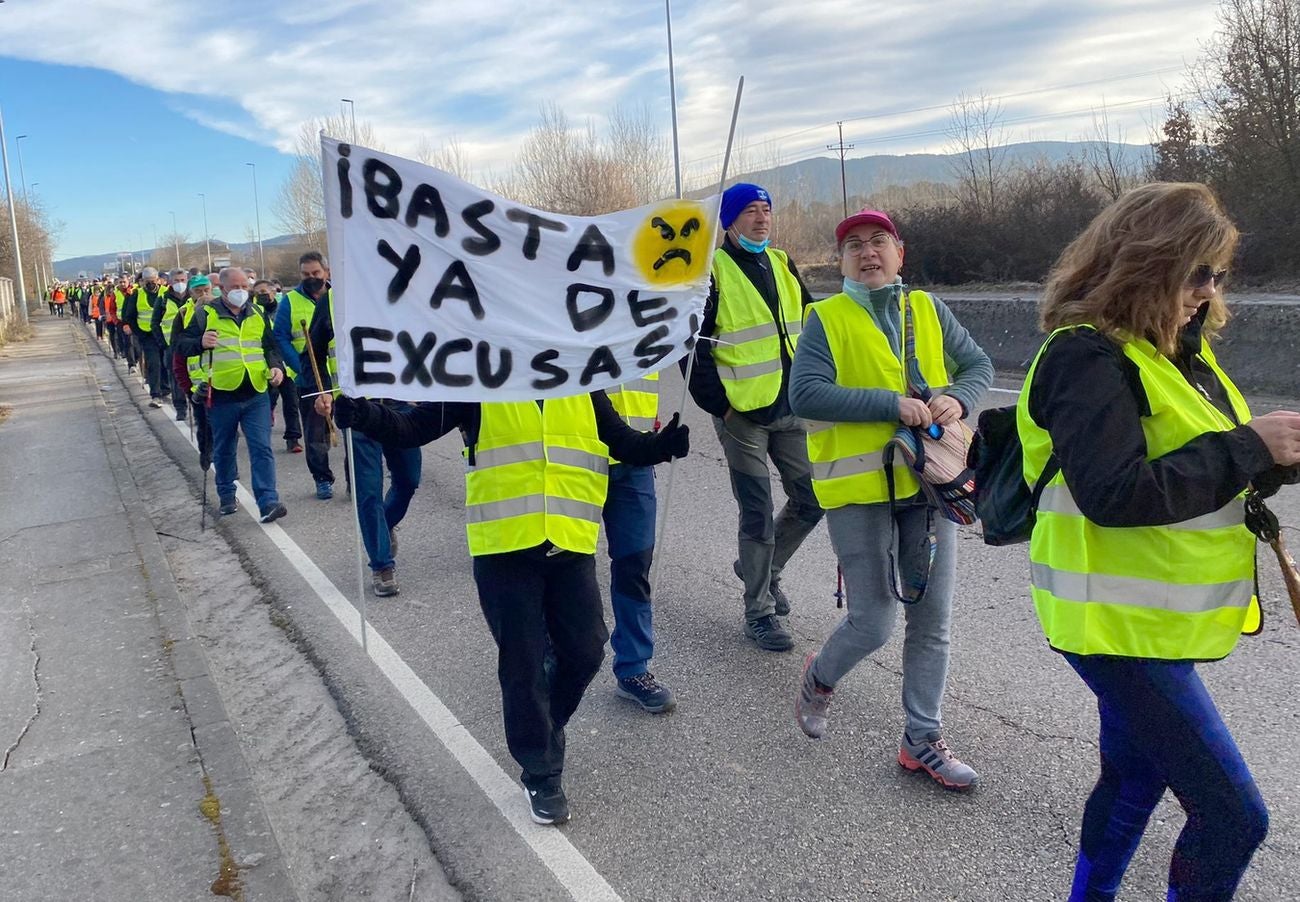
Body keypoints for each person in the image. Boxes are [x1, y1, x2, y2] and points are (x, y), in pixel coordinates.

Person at [1017, 182, 1300, 900]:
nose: (1207, 291)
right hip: (1112, 626)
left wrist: (1273, 456)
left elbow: (1206, 474)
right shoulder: (1084, 357)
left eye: (1217, 276)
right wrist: (1246, 449)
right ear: (1146, 262)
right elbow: (1115, 493)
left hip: (1147, 623)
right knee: (1236, 818)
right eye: (1196, 273)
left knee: (1135, 775)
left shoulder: (1175, 354)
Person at [332, 390, 690, 825]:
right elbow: (412, 429)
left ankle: (542, 725)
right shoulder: (480, 381)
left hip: (568, 541)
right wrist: (365, 414)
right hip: (504, 549)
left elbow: (620, 442)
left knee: (586, 650)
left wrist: (661, 446)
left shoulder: (580, 384)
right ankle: (541, 772)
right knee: (523, 663)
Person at [789, 209, 992, 791]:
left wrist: (956, 396)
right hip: (860, 492)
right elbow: (804, 394)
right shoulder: (825, 318)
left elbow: (977, 365)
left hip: (930, 486)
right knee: (874, 622)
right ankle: (819, 678)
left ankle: (921, 739)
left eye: (879, 241)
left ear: (900, 252)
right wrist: (888, 404)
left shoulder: (927, 308)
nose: (868, 251)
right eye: (854, 245)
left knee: (932, 621)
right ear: (843, 261)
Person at [688, 182, 824, 652]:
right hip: (741, 415)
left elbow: (812, 323)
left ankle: (762, 570)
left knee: (811, 498)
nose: (761, 218)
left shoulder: (783, 262)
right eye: (749, 211)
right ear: (729, 220)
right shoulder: (711, 272)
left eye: (766, 210)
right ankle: (759, 611)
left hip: (790, 407)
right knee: (757, 513)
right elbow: (693, 350)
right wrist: (720, 407)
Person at [307, 301, 421, 597]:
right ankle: (382, 565)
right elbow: (312, 352)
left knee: (409, 480)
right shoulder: (331, 301)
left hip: (400, 405)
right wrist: (321, 393)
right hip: (357, 408)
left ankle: (383, 527)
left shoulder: (402, 286)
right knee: (368, 490)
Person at [177, 267, 288, 523]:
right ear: (223, 289)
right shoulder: (205, 314)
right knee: (225, 448)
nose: (241, 291)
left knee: (262, 447)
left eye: (244, 287)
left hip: (256, 392)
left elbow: (270, 346)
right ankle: (227, 495)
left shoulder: (257, 312)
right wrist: (200, 342)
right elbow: (181, 346)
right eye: (235, 287)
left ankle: (268, 501)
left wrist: (276, 367)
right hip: (221, 394)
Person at [274, 252, 336, 493]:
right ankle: (322, 479)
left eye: (316, 273)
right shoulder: (290, 301)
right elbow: (280, 336)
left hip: (343, 377)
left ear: (326, 272)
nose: (311, 278)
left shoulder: (339, 297)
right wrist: (301, 367)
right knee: (315, 434)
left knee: (355, 433)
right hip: (310, 378)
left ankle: (356, 481)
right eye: (306, 274)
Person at [253, 279, 303, 452]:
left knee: (291, 402)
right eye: (258, 293)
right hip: (265, 364)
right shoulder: (254, 312)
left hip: (285, 363)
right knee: (268, 400)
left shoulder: (283, 309)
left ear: (274, 292)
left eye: (265, 292)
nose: (263, 296)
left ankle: (293, 438)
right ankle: (262, 435)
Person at [123, 266, 169, 407]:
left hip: (165, 334)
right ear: (142, 281)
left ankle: (165, 387)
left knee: (165, 362)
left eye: (153, 280)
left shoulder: (166, 293)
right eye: (147, 281)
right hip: (147, 335)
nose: (150, 283)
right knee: (154, 363)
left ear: (158, 280)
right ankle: (156, 394)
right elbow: (129, 316)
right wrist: (139, 333)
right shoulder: (137, 294)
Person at [151, 268, 189, 421]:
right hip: (172, 346)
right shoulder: (163, 299)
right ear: (170, 282)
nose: (180, 284)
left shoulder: (193, 298)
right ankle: (180, 408)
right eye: (176, 281)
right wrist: (163, 343)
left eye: (183, 280)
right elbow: (155, 323)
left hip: (193, 344)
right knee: (176, 378)